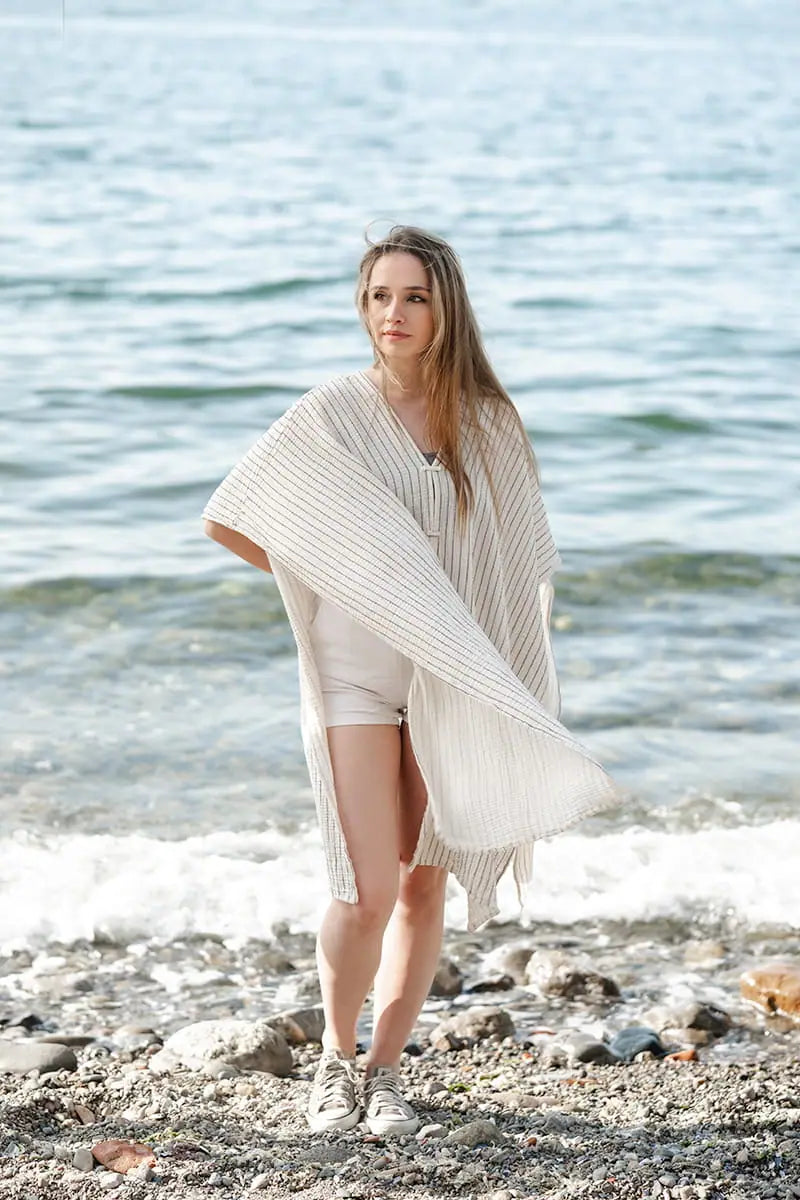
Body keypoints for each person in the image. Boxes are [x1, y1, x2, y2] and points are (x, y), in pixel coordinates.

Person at [202, 225, 618, 1137]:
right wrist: (335, 582)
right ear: (363, 307)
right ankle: (333, 1061)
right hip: (352, 677)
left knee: (424, 883)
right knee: (364, 889)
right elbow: (232, 519)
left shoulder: (488, 423)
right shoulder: (330, 416)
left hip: (451, 677)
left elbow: (515, 565)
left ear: (445, 310)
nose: (395, 313)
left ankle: (384, 1072)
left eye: (415, 297)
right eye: (380, 296)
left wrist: (499, 674)